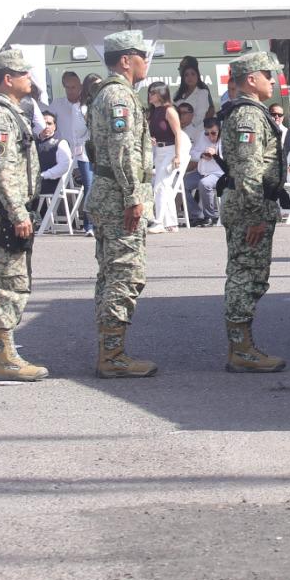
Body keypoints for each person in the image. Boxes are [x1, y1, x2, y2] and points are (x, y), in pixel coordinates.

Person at [85, 30, 158, 379]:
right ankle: (112, 355)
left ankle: (110, 349)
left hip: (108, 194)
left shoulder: (110, 93)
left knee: (111, 273)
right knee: (125, 274)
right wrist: (132, 196)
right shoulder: (119, 96)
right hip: (118, 198)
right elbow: (123, 149)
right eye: (143, 56)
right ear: (126, 60)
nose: (147, 62)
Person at [0, 49, 49, 382]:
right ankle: (4, 357)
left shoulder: (13, 111)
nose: (29, 79)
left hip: (11, 209)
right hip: (5, 211)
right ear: (8, 79)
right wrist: (18, 213)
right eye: (23, 74)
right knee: (7, 284)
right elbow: (1, 168)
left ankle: (6, 353)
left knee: (15, 281)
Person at [217, 51, 289, 372]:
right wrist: (256, 215)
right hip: (249, 208)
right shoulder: (248, 115)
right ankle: (241, 350)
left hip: (251, 204)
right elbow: (248, 170)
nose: (273, 81)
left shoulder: (252, 112)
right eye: (267, 75)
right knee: (245, 275)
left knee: (251, 275)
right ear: (251, 79)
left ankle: (243, 346)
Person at [146, 82, 185, 233]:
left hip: (170, 151)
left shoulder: (169, 110)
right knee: (165, 187)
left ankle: (159, 222)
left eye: (153, 93)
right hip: (159, 150)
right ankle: (171, 223)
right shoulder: (154, 112)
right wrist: (151, 140)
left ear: (161, 94)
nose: (150, 96)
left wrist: (177, 156)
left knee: (160, 186)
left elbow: (178, 134)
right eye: (149, 93)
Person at [48, 71, 91, 195]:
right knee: (67, 194)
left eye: (73, 87)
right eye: (67, 87)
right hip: (65, 157)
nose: (70, 90)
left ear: (80, 86)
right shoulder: (57, 104)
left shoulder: (87, 105)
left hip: (85, 157)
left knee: (88, 190)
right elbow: (48, 123)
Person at [189, 118, 225, 226]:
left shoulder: (226, 137)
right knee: (183, 184)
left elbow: (231, 158)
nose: (210, 136)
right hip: (202, 172)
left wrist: (215, 154)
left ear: (220, 130)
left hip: (219, 173)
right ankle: (197, 215)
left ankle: (211, 216)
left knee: (204, 184)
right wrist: (201, 154)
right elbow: (192, 152)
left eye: (213, 133)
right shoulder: (201, 136)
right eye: (207, 133)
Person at [36, 112, 73, 199]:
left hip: (48, 186)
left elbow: (64, 166)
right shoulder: (32, 142)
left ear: (55, 126)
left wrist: (43, 176)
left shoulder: (61, 143)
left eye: (49, 123)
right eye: (43, 123)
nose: (46, 126)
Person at [174, 55, 216, 122]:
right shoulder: (179, 91)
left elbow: (211, 109)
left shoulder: (202, 88)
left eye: (181, 67)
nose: (180, 69)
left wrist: (204, 123)